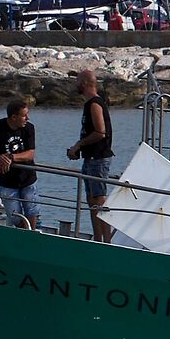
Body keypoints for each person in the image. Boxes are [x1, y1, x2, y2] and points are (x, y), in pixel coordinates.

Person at [67, 70, 114, 242]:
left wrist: (79, 144)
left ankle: (106, 241)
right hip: (90, 158)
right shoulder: (89, 104)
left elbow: (100, 132)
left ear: (86, 83)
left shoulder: (95, 104)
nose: (75, 84)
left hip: (99, 158)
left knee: (99, 199)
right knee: (91, 199)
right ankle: (98, 237)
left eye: (78, 80)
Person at [0, 96, 40, 228]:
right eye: (24, 116)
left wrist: (11, 158)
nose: (27, 119)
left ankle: (31, 236)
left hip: (27, 178)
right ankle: (22, 234)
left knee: (32, 210)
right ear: (13, 117)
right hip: (6, 181)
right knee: (14, 216)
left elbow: (30, 154)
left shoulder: (29, 128)